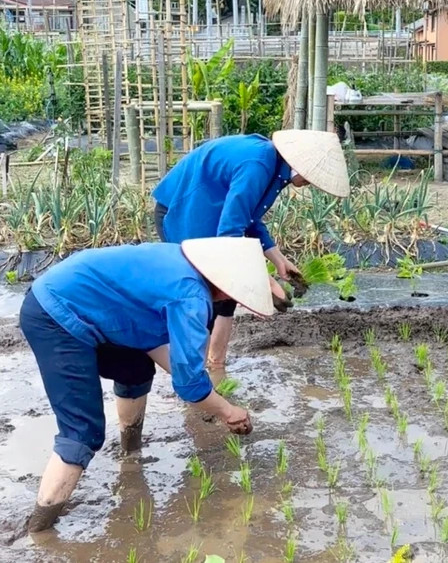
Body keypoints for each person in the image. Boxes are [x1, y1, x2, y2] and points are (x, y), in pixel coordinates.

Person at [19, 236, 273, 532]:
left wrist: (204, 389)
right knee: (83, 432)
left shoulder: (179, 260)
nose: (233, 301)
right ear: (226, 288)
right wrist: (227, 410)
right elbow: (189, 385)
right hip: (57, 315)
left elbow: (158, 347)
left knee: (135, 369)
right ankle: (39, 527)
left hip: (77, 299)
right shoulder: (191, 296)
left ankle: (130, 452)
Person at [153, 129, 350, 368]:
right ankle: (193, 375)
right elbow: (230, 234)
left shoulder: (273, 166)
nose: (309, 184)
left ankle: (216, 364)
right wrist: (263, 282)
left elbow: (249, 218)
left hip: (210, 212)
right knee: (202, 290)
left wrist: (278, 260)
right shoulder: (258, 164)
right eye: (311, 178)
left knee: (227, 294)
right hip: (183, 209)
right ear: (301, 166)